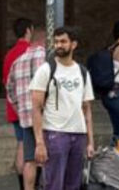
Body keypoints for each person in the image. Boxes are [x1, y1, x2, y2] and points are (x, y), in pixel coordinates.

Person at [32, 27, 95, 190]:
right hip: (55, 134)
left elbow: (87, 108)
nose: (58, 45)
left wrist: (90, 142)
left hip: (78, 135)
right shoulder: (46, 70)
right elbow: (36, 108)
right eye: (56, 41)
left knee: (74, 185)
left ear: (73, 44)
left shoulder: (82, 72)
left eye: (63, 41)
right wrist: (39, 143)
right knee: (54, 185)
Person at [6, 23, 48, 190]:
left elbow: (9, 89)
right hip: (45, 118)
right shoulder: (47, 57)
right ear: (46, 41)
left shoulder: (17, 61)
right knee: (47, 160)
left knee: (29, 160)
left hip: (26, 119)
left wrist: (20, 109)